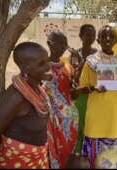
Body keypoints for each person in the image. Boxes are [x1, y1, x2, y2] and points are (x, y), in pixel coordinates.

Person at [0, 42, 51, 168]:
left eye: (47, 61)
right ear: (25, 67)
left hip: (37, 158)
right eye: (41, 64)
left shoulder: (37, 88)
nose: (47, 67)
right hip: (17, 160)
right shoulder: (16, 97)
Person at [79, 25, 117, 168]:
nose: (107, 39)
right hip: (96, 121)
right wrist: (93, 88)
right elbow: (81, 89)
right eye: (103, 36)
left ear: (116, 40)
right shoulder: (91, 62)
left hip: (114, 119)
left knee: (115, 161)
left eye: (111, 36)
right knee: (95, 162)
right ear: (98, 40)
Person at [44, 31, 79, 169]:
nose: (64, 47)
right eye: (61, 44)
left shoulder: (66, 66)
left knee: (67, 152)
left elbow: (73, 93)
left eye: (66, 44)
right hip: (51, 121)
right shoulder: (41, 67)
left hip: (69, 121)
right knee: (52, 153)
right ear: (49, 44)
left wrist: (76, 68)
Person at [71, 24, 98, 154]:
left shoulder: (98, 54)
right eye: (87, 35)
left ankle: (91, 152)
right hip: (81, 94)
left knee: (92, 124)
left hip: (95, 94)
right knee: (80, 124)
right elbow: (75, 75)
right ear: (81, 36)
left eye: (93, 35)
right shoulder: (75, 54)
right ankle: (78, 153)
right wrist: (83, 61)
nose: (90, 37)